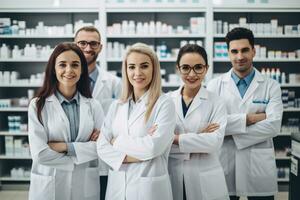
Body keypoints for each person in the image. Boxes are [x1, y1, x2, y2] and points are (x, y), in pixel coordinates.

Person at [207, 27, 283, 200]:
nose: (239, 57)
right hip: (225, 164)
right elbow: (211, 126)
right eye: (234, 51)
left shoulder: (271, 86)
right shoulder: (214, 86)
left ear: (254, 51)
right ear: (228, 53)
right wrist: (249, 119)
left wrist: (230, 130)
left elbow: (273, 126)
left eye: (245, 50)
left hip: (258, 167)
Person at [97, 43, 176, 200]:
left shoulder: (164, 103)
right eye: (132, 67)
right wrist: (139, 149)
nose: (137, 72)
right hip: (117, 188)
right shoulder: (117, 105)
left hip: (149, 189)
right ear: (126, 70)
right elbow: (101, 147)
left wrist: (116, 142)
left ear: (154, 69)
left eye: (144, 66)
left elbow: (153, 148)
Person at [28, 42, 104, 200]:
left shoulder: (93, 105)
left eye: (75, 65)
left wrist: (63, 147)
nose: (69, 70)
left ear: (81, 70)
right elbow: (40, 154)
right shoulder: (38, 105)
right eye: (62, 64)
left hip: (84, 186)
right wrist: (81, 153)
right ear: (53, 69)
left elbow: (102, 148)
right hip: (50, 184)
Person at [168, 44, 229, 200]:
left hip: (204, 178)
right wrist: (198, 137)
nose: (192, 74)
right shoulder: (166, 100)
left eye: (198, 67)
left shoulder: (217, 102)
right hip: (173, 174)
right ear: (178, 69)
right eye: (186, 68)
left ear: (206, 68)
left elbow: (214, 143)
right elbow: (159, 143)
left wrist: (175, 138)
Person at [74, 26, 121, 200]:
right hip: (75, 158)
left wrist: (107, 132)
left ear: (100, 47)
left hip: (104, 161)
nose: (88, 48)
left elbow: (125, 119)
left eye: (93, 44)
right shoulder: (63, 83)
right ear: (74, 45)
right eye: (82, 43)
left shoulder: (115, 83)